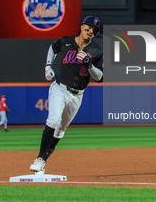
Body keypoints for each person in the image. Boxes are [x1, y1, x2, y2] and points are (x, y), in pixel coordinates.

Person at [29, 16, 103, 175]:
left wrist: (89, 64)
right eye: (88, 27)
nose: (90, 31)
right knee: (54, 120)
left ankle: (43, 161)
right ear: (82, 26)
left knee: (61, 129)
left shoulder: (96, 51)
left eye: (94, 30)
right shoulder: (66, 41)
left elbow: (99, 77)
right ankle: (39, 159)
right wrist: (48, 66)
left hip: (78, 95)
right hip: (60, 88)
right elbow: (53, 48)